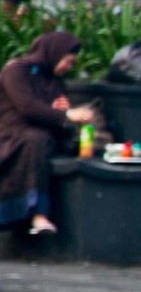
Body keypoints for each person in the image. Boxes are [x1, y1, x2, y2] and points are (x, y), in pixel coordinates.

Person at [0, 31, 91, 236]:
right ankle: (38, 214)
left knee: (59, 142)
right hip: (11, 134)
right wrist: (66, 115)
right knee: (36, 140)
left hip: (42, 135)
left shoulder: (54, 80)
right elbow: (27, 107)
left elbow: (51, 113)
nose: (68, 67)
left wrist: (59, 110)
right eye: (67, 61)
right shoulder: (16, 71)